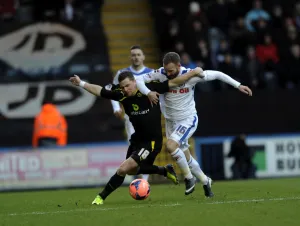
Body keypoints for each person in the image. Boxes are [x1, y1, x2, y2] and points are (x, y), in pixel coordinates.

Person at [69, 69, 201, 204]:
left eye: (127, 85)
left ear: (134, 82)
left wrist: (192, 73)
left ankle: (100, 197)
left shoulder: (149, 89)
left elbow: (173, 83)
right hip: (137, 139)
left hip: (151, 142)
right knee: (131, 171)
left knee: (123, 169)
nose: (125, 89)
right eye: (122, 87)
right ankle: (164, 170)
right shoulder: (121, 94)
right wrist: (81, 83)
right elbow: (100, 91)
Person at [135, 52, 253, 197]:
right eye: (166, 70)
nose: (169, 73)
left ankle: (189, 178)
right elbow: (138, 79)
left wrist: (238, 85)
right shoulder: (160, 73)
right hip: (171, 121)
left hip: (187, 120)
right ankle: (205, 181)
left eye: (171, 70)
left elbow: (217, 74)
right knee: (187, 157)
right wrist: (148, 93)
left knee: (171, 146)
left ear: (179, 66)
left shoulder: (191, 74)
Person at [111, 45, 153, 181]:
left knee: (146, 147)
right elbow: (112, 91)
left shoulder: (152, 73)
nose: (136, 57)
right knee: (136, 146)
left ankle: (144, 181)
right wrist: (116, 107)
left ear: (143, 57)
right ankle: (139, 175)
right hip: (131, 117)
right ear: (130, 57)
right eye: (133, 55)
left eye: (138, 54)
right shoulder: (122, 74)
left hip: (148, 115)